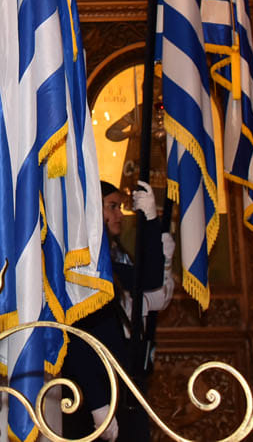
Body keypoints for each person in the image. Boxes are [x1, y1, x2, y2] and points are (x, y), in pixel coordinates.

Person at [61, 180, 173, 441]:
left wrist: (150, 220)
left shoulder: (113, 256)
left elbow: (150, 279)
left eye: (120, 207)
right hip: (93, 388)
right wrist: (97, 402)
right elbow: (77, 336)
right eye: (112, 207)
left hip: (122, 376)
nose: (119, 215)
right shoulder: (83, 263)